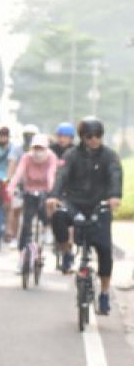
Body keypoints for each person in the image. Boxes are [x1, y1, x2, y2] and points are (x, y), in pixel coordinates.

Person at [47, 117, 123, 313]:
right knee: (58, 216)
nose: (94, 140)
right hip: (75, 203)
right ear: (82, 137)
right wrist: (54, 196)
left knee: (105, 250)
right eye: (89, 136)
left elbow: (115, 175)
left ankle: (104, 293)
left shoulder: (110, 156)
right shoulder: (71, 155)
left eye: (98, 136)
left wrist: (114, 196)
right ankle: (66, 253)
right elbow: (61, 176)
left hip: (100, 205)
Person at [8, 133, 57, 252]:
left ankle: (47, 228)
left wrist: (52, 191)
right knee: (27, 220)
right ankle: (22, 252)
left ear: (46, 148)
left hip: (45, 190)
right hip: (29, 189)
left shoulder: (51, 157)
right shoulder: (26, 157)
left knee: (45, 211)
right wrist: (11, 187)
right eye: (36, 148)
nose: (38, 151)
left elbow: (51, 174)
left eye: (41, 148)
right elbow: (19, 173)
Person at [0, 125, 22, 244]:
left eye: (4, 136)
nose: (2, 138)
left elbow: (15, 163)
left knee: (9, 204)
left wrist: (13, 178)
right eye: (0, 136)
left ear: (8, 137)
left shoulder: (13, 149)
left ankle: (8, 230)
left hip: (8, 177)